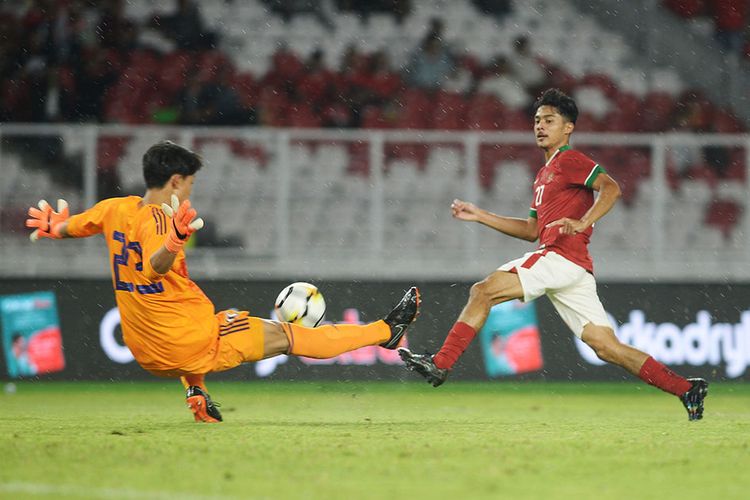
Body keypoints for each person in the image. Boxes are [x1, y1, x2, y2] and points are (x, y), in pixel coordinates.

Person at [26, 141, 420, 423]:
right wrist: (174, 241)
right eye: (191, 184)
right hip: (189, 343)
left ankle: (195, 391)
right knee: (287, 335)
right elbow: (153, 267)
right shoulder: (162, 220)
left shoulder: (115, 208)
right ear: (176, 181)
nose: (191, 191)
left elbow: (71, 227)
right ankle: (385, 331)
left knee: (194, 317)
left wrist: (53, 226)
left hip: (145, 349)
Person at [398, 88, 709, 421]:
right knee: (606, 347)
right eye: (536, 120)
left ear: (568, 127)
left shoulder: (570, 161)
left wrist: (584, 220)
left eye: (549, 120)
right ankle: (686, 388)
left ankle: (441, 363)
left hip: (561, 257)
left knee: (483, 291)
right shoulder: (544, 175)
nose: (540, 126)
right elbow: (532, 230)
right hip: (574, 268)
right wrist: (481, 215)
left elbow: (612, 187)